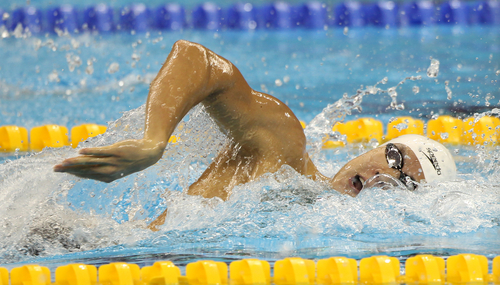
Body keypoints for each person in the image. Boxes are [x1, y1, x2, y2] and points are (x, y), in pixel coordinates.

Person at [54, 40, 457, 231]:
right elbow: (198, 60)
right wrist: (152, 141)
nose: (382, 177)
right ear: (372, 148)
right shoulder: (283, 150)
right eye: (394, 158)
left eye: (403, 182)